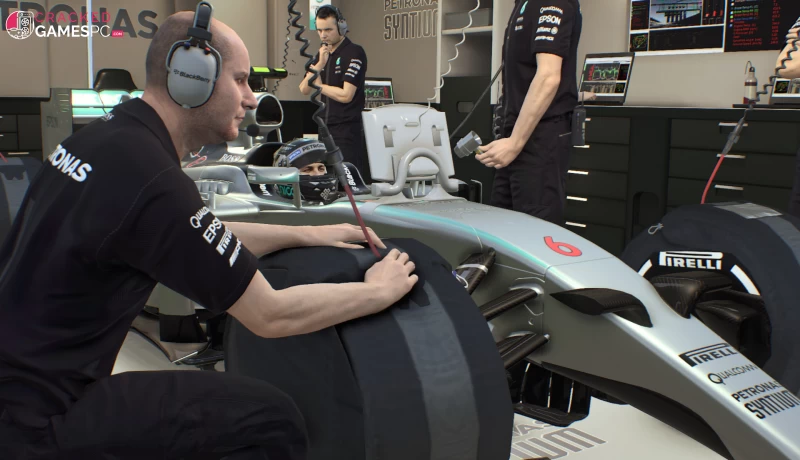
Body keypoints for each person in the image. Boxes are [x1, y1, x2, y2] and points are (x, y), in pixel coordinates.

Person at [0, 7, 418, 460]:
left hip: (17, 392)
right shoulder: (151, 178)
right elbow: (271, 314)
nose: (252, 99)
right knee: (270, 420)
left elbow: (189, 232)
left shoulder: (99, 142)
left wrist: (307, 233)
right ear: (190, 78)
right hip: (41, 420)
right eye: (240, 80)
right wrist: (378, 291)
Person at [476, 0, 583, 225]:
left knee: (536, 228)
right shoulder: (523, 4)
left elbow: (548, 77)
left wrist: (515, 142)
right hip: (514, 134)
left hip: (538, 139)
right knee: (501, 226)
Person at [298, 5, 371, 183]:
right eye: (320, 30)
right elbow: (304, 89)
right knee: (327, 181)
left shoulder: (354, 52)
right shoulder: (321, 54)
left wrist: (320, 86)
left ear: (341, 27)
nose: (323, 35)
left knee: (346, 181)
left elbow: (346, 95)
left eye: (328, 30)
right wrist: (319, 65)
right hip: (324, 128)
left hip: (346, 130)